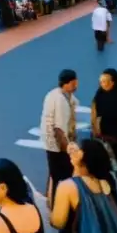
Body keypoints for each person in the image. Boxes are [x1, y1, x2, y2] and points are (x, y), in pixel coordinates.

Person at [41, 69, 79, 206]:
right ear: (70, 83)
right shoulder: (61, 101)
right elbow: (59, 130)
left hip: (50, 143)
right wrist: (67, 150)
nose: (77, 85)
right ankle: (59, 205)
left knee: (53, 171)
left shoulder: (55, 94)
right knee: (62, 175)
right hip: (57, 145)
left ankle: (49, 199)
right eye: (75, 82)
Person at [91, 68, 117, 174]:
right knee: (104, 166)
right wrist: (96, 131)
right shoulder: (99, 95)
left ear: (113, 82)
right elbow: (94, 114)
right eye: (101, 82)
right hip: (104, 137)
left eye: (105, 81)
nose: (102, 84)